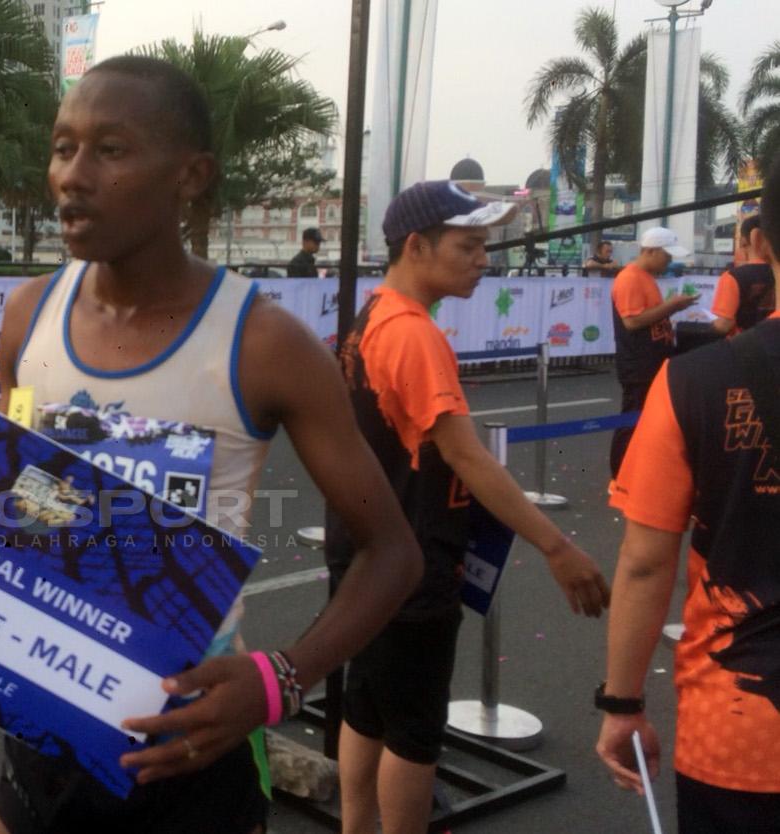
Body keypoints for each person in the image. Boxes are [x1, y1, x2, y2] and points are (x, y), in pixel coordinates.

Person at [0, 56, 424, 834]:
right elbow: (27, 509)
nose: (72, 175)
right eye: (63, 147)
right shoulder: (27, 315)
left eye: (110, 150)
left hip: (190, 753)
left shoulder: (262, 343)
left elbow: (392, 552)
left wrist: (278, 679)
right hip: (40, 732)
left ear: (191, 174)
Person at [324, 180, 610, 834]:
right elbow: (468, 456)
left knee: (367, 705)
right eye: (470, 244)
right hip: (414, 558)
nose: (485, 258)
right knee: (416, 729)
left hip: (363, 548)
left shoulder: (370, 317)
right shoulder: (415, 335)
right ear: (417, 246)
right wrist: (557, 546)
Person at [596, 160, 780, 832]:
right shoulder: (633, 286)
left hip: (739, 730)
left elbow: (646, 562)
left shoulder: (695, 383)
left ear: (763, 245)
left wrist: (620, 703)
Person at [609, 227, 700, 476]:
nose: (669, 261)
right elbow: (633, 321)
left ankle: (635, 470)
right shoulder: (630, 278)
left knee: (645, 418)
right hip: (638, 361)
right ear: (650, 251)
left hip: (651, 358)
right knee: (632, 419)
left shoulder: (646, 277)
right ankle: (619, 474)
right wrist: (672, 305)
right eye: (666, 255)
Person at [711, 215, 774, 337]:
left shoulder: (732, 277)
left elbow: (724, 325)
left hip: (744, 348)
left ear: (744, 241)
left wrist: (713, 325)